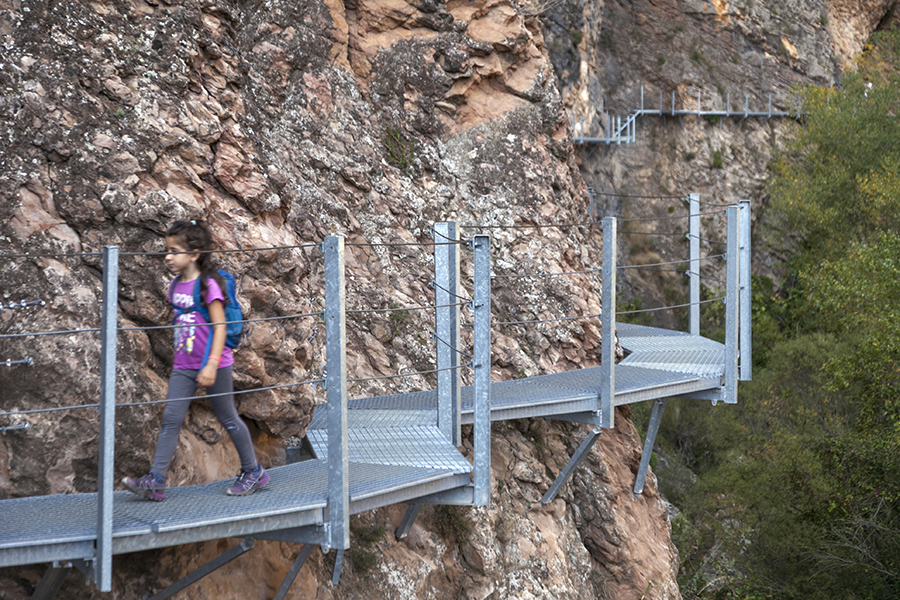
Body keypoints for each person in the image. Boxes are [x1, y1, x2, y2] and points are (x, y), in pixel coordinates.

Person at [123, 220, 267, 501]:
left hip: (216, 363)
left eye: (174, 251)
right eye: (167, 250)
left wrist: (212, 363)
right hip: (183, 365)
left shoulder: (208, 285)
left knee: (228, 417)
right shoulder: (176, 285)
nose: (168, 256)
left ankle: (253, 471)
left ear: (194, 254)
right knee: (170, 420)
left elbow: (219, 326)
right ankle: (156, 480)